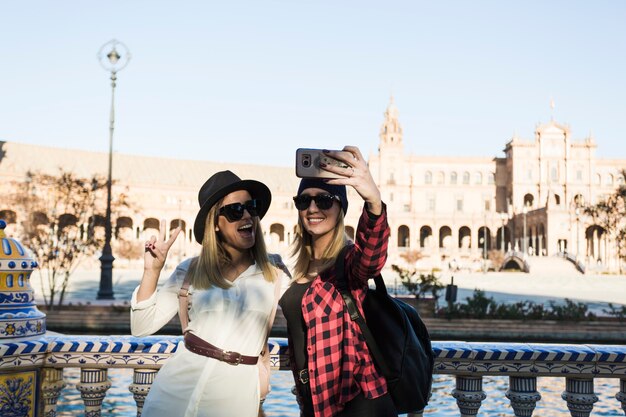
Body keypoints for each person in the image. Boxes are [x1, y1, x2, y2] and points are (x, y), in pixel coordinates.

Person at [130, 170, 288, 417]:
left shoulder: (275, 272)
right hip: (172, 396)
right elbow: (141, 326)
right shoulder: (191, 270)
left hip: (234, 402)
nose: (246, 215)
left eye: (251, 207)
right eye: (235, 211)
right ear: (215, 223)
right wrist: (152, 271)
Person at [279, 146, 395, 417]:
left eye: (324, 200)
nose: (312, 208)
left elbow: (372, 258)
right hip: (315, 407)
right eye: (303, 201)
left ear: (340, 208)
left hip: (358, 404)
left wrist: (374, 203)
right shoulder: (298, 269)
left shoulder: (348, 263)